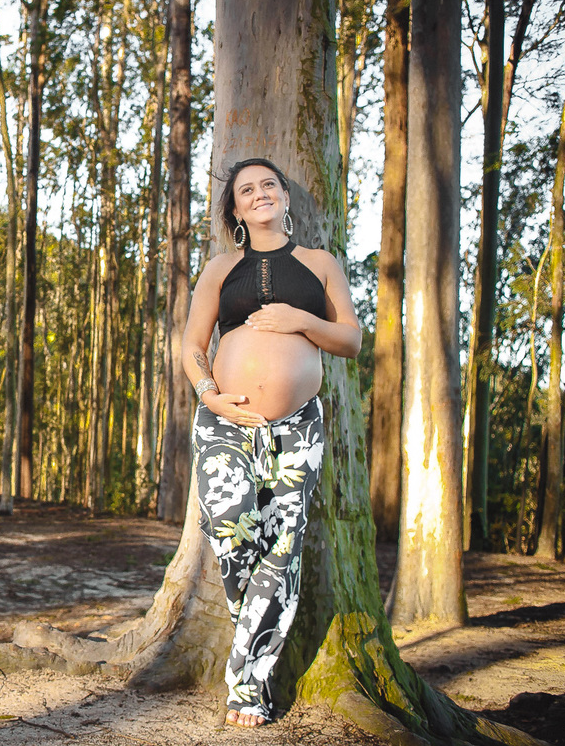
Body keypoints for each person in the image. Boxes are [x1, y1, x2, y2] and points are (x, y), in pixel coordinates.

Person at [180, 158, 361, 728]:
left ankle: (247, 685)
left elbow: (351, 339)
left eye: (268, 186)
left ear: (285, 197)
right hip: (226, 423)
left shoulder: (319, 264)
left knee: (282, 549)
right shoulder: (219, 269)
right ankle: (249, 656)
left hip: (298, 425)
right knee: (232, 532)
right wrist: (209, 394)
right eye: (245, 191)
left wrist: (298, 320)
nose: (259, 195)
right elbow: (191, 344)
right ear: (234, 210)